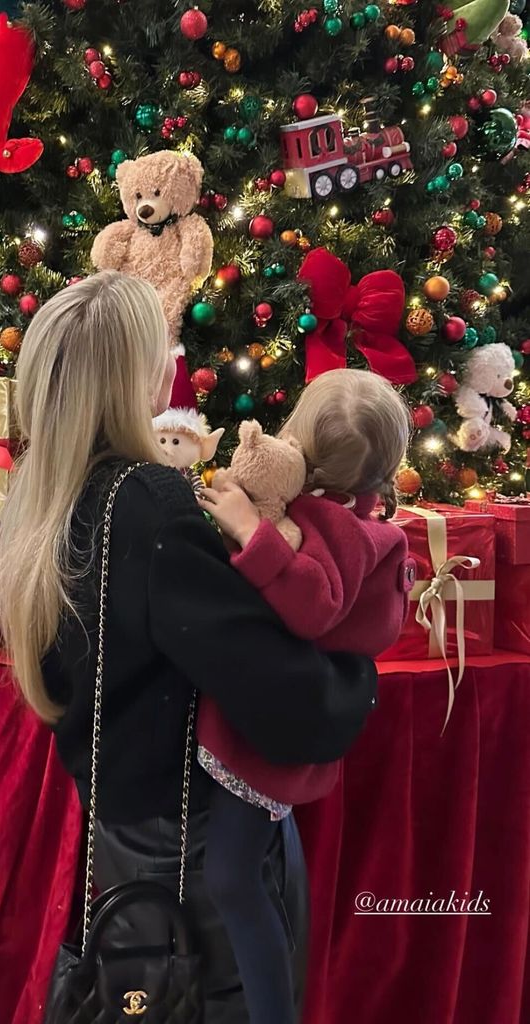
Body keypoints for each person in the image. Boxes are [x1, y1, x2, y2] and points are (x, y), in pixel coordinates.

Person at [0, 272, 378, 1024]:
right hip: (192, 854)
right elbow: (282, 695)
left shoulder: (44, 496)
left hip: (124, 838)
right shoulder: (146, 500)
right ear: (136, 374)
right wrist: (354, 669)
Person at [197, 369, 413, 1024]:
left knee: (232, 879)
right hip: (286, 725)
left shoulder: (329, 522)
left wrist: (247, 528)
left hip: (267, 732)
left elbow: (313, 605)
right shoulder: (354, 518)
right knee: (251, 864)